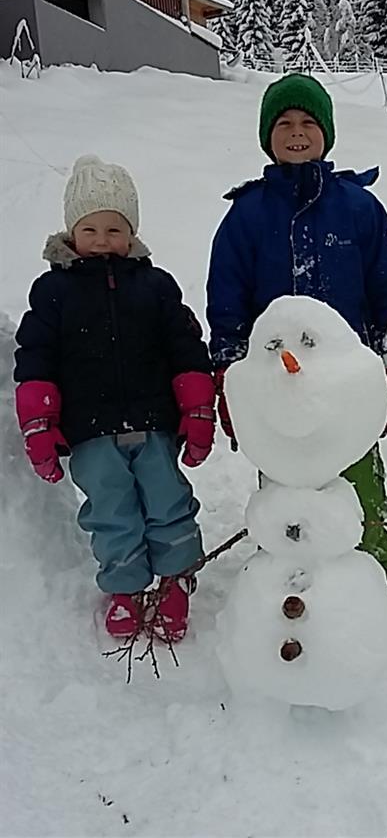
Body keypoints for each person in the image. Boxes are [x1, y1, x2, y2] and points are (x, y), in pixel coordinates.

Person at [206, 73, 387, 584]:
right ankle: (289, 587)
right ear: (267, 135)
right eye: (284, 123)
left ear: (326, 133)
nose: (296, 132)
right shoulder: (246, 215)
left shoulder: (358, 207)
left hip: (349, 390)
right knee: (285, 495)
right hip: (277, 389)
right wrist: (231, 381)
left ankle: (368, 583)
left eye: (307, 122)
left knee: (360, 491)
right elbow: (228, 305)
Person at [14, 156, 215, 643]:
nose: (103, 241)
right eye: (91, 229)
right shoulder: (53, 291)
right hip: (90, 433)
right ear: (71, 231)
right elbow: (36, 358)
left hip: (154, 424)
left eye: (115, 228)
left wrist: (197, 407)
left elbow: (185, 347)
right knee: (111, 511)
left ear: (132, 232)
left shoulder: (155, 285)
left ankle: (173, 581)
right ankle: (125, 588)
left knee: (169, 502)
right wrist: (40, 425)